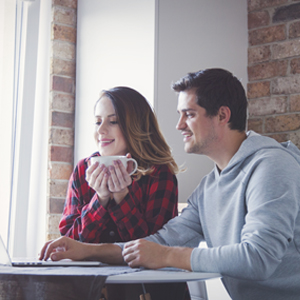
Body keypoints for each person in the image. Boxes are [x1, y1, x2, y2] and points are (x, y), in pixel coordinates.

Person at [40, 69, 300, 300]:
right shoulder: (209, 187)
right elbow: (157, 242)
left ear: (222, 115)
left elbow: (258, 258)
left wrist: (167, 255)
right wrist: (85, 250)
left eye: (189, 114)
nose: (178, 125)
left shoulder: (272, 165)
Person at [59, 86, 180, 244]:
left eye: (113, 121)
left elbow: (156, 246)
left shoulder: (158, 173)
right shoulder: (84, 169)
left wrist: (122, 198)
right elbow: (69, 241)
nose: (101, 130)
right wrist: (100, 199)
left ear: (136, 126)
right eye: (97, 122)